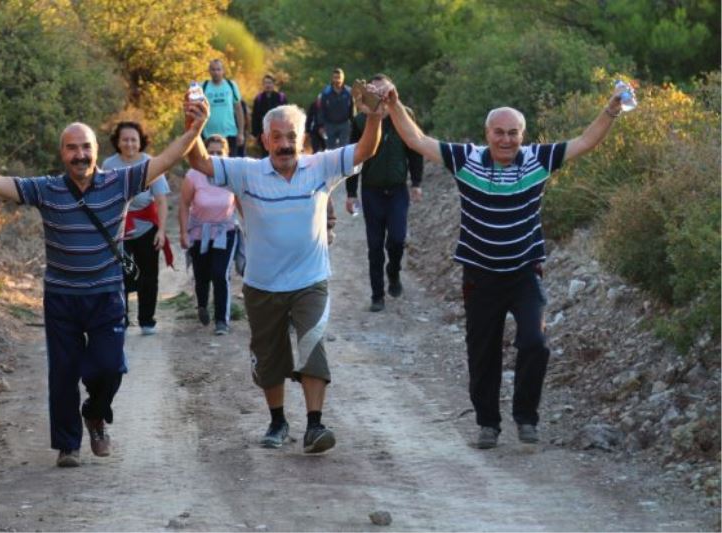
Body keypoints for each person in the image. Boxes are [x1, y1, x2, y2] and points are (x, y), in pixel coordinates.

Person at [0, 95, 208, 467]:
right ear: (62, 153)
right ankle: (68, 445)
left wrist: (196, 128)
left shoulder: (120, 182)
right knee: (63, 373)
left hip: (107, 295)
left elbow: (168, 159)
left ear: (95, 150)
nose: (80, 154)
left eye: (86, 147)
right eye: (72, 148)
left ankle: (94, 412)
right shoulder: (46, 189)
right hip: (61, 298)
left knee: (109, 366)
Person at [384, 82, 630, 449]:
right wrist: (393, 103)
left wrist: (611, 108)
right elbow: (417, 140)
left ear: (523, 135)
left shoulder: (539, 159)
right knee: (482, 352)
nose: (506, 139)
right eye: (499, 132)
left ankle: (526, 418)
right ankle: (488, 425)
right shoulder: (465, 158)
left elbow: (585, 142)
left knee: (536, 342)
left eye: (513, 133)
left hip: (524, 273)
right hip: (480, 276)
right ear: (487, 134)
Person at [187, 99, 383, 454]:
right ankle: (277, 421)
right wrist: (195, 128)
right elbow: (199, 161)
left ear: (302, 138)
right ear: (264, 141)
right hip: (262, 285)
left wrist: (373, 116)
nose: (284, 144)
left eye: (290, 136)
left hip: (310, 281)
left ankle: (315, 425)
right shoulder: (246, 171)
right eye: (276, 137)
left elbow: (366, 150)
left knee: (312, 346)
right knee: (269, 356)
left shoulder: (320, 166)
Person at [345, 74, 424, 312]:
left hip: (398, 190)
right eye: (375, 92)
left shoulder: (405, 115)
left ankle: (394, 272)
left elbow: (415, 149)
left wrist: (416, 182)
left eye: (384, 92)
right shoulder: (360, 121)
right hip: (372, 192)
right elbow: (353, 158)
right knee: (375, 245)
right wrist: (351, 193)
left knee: (397, 239)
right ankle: (377, 295)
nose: (380, 97)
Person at [102, 121, 172, 335]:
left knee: (149, 275)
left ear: (140, 141)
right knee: (122, 273)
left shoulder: (151, 163)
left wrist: (161, 231)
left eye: (134, 139)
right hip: (118, 228)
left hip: (146, 226)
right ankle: (120, 318)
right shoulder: (109, 164)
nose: (130, 143)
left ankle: (147, 320)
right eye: (125, 139)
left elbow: (160, 201)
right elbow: (103, 197)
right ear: (118, 141)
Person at [177, 134, 238, 335]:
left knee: (220, 274)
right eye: (210, 152)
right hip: (199, 233)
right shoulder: (194, 175)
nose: (213, 156)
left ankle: (222, 320)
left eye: (219, 152)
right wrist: (183, 233)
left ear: (226, 153)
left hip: (225, 232)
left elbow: (242, 203)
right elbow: (184, 205)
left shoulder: (233, 173)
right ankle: (202, 305)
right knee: (202, 275)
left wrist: (251, 228)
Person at [202, 58, 245, 156]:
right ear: (209, 71)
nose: (216, 72)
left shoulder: (231, 85)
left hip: (229, 133)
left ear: (223, 71)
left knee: (230, 166)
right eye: (213, 69)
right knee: (209, 167)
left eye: (218, 69)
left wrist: (241, 132)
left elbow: (238, 109)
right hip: (208, 135)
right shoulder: (203, 87)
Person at [251, 74, 288, 156]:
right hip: (264, 132)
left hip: (279, 131)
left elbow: (286, 115)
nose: (268, 85)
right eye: (266, 83)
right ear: (263, 85)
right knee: (265, 154)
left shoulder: (280, 97)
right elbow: (255, 117)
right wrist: (254, 134)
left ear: (273, 84)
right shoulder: (259, 99)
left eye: (270, 83)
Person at [318, 68, 353, 150]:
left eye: (339, 77)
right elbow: (321, 109)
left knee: (344, 148)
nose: (337, 80)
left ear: (343, 78)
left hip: (345, 124)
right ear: (332, 78)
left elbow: (353, 108)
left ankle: (342, 163)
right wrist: (320, 125)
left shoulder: (349, 91)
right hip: (330, 124)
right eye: (335, 77)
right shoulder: (326, 92)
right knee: (331, 149)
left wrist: (353, 123)